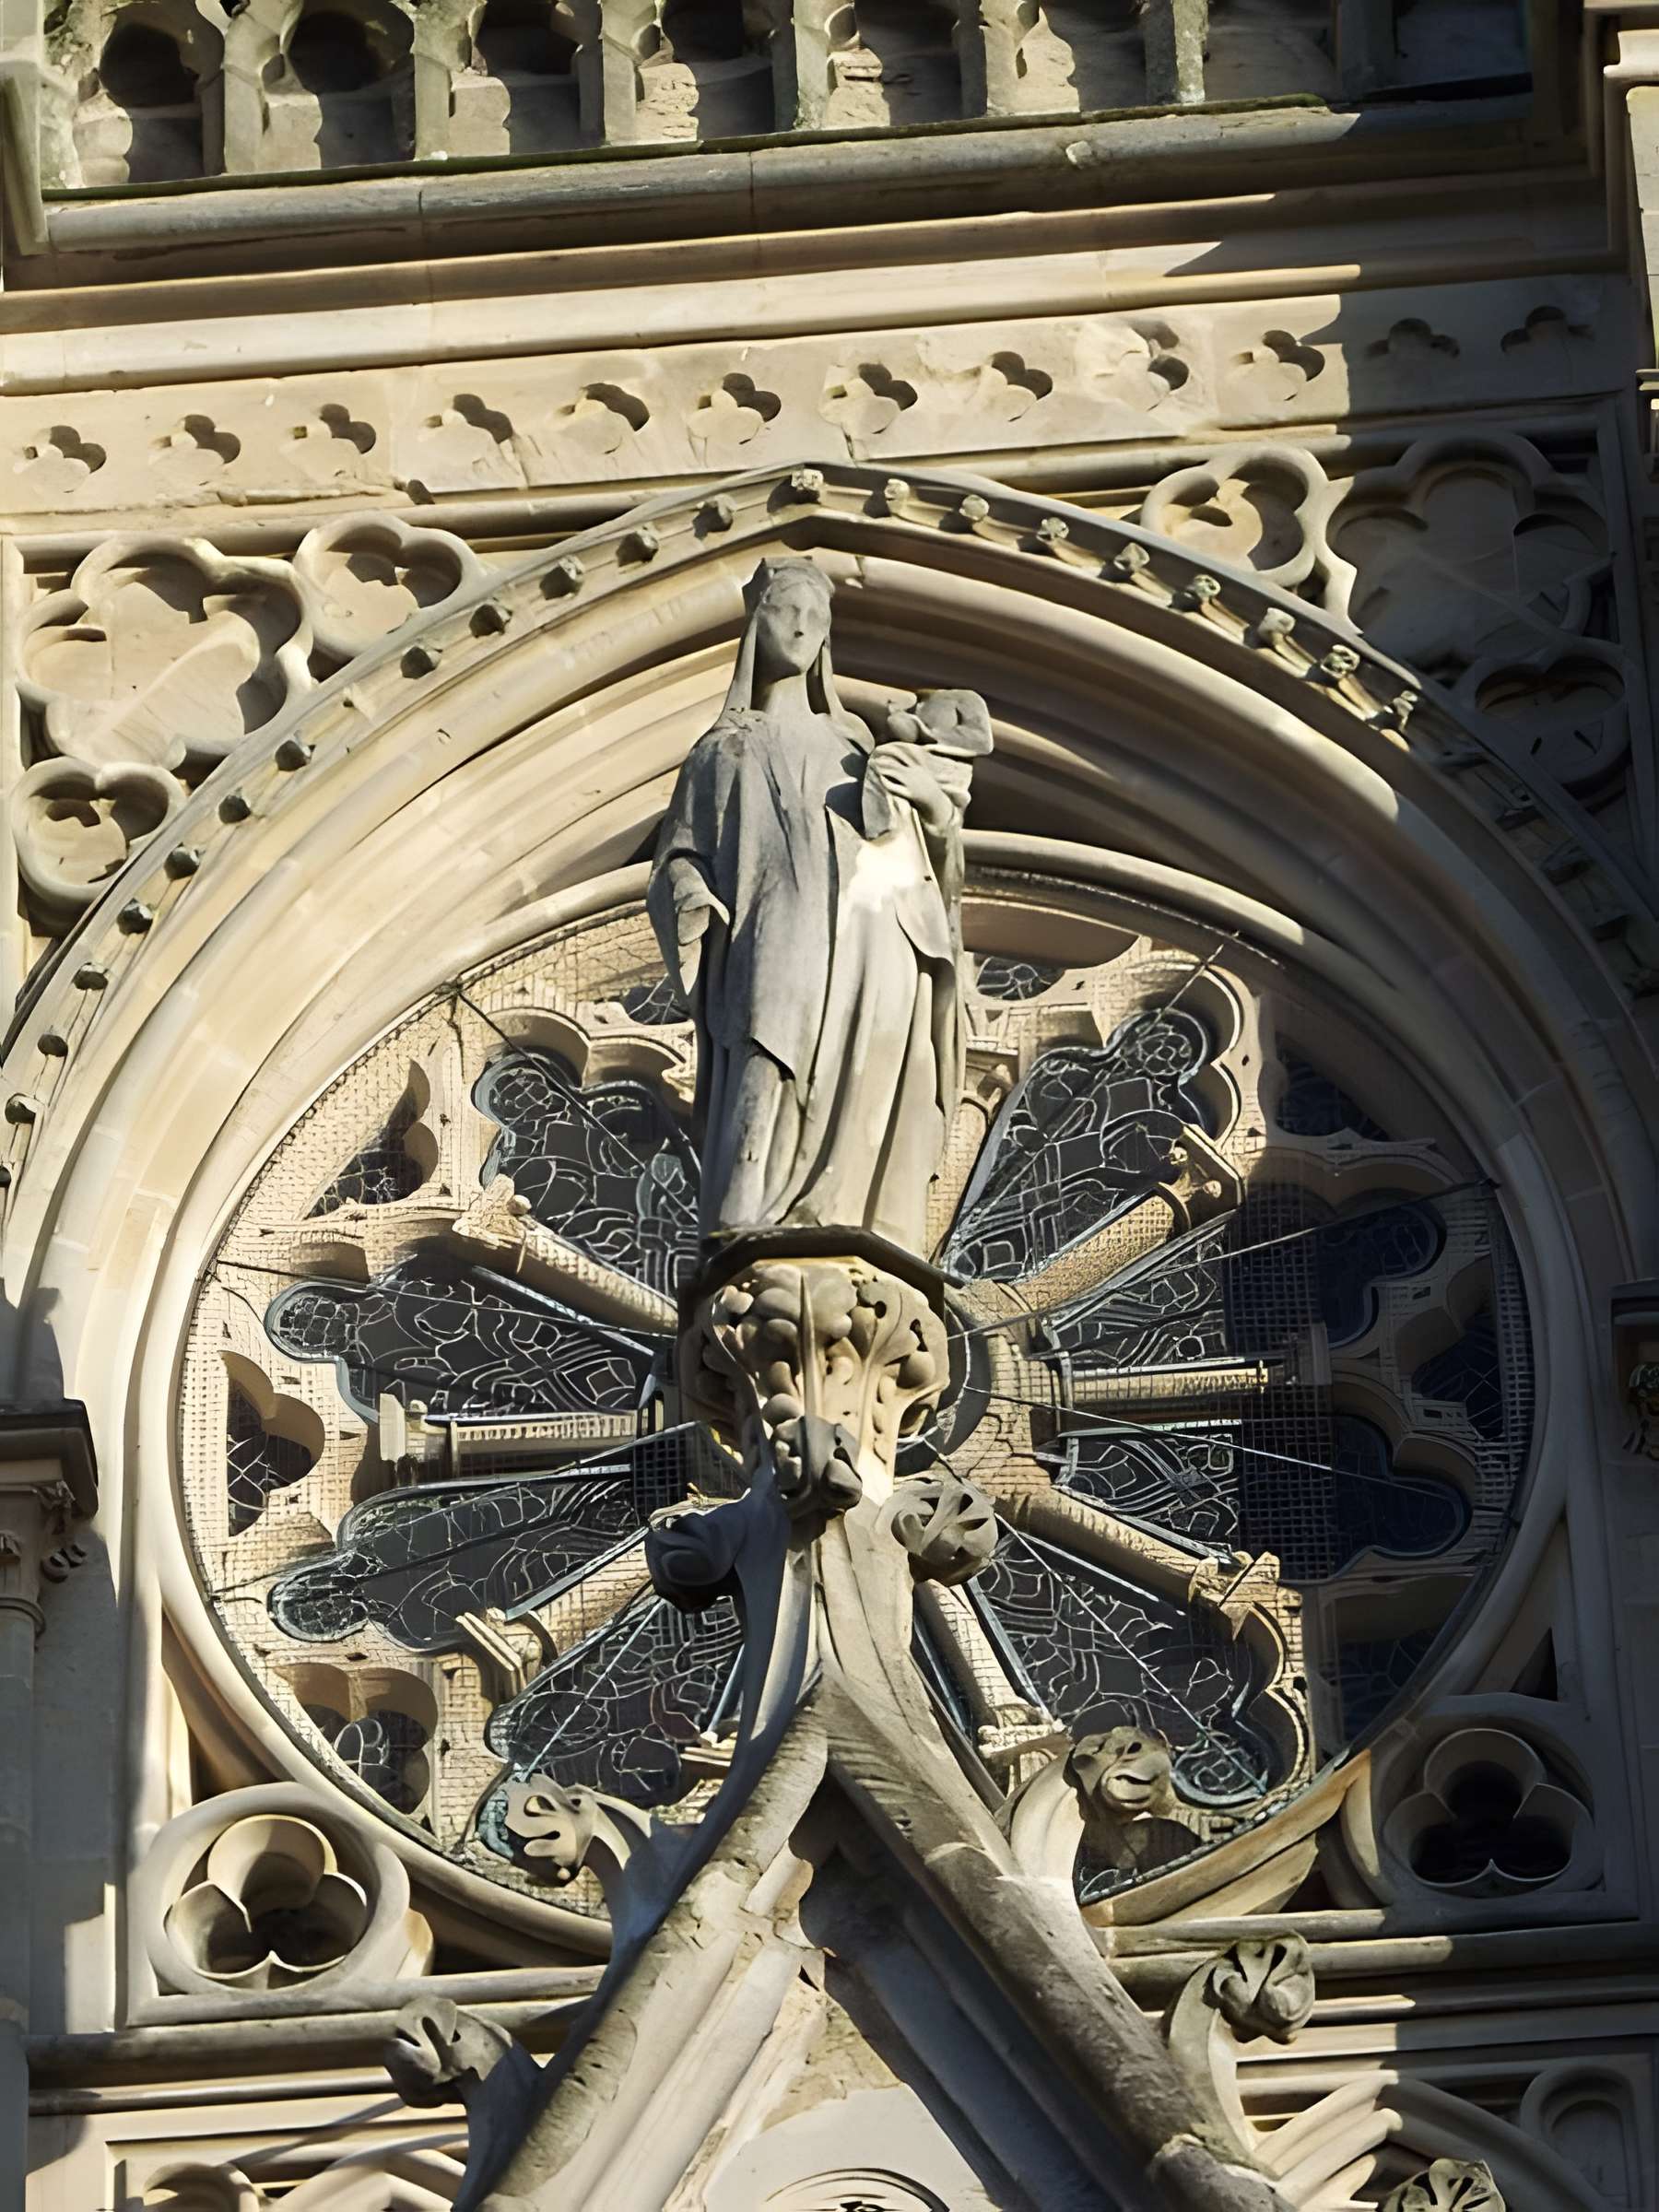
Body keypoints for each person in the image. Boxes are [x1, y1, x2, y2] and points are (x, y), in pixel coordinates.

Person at [648, 558, 990, 1254]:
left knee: (874, 1070)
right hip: (772, 927)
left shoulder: (856, 743)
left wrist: (934, 811)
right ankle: (748, 1221)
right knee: (768, 1044)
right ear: (757, 624)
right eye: (786, 612)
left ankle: (856, 1218)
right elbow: (681, 852)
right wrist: (688, 895)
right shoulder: (722, 749)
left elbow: (919, 855)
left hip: (876, 933)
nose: (802, 628)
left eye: (816, 616)